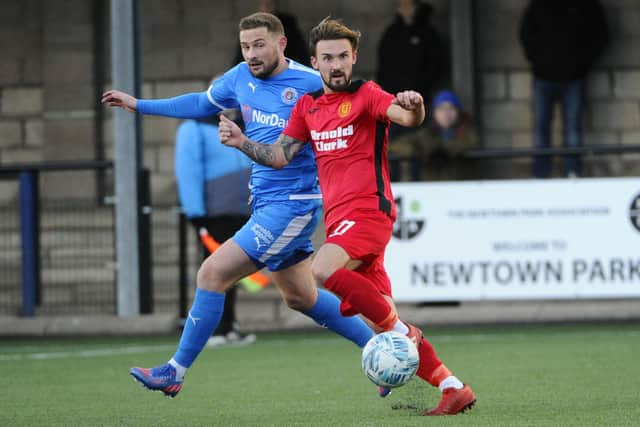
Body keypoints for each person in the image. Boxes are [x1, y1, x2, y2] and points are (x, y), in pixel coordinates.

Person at [102, 12, 381, 399]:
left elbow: (338, 126)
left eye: (259, 45)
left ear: (281, 44)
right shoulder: (239, 77)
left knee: (212, 273)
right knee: (300, 296)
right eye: (246, 46)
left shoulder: (309, 84)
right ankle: (380, 350)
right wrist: (140, 105)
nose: (251, 53)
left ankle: (174, 370)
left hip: (293, 203)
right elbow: (200, 103)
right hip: (266, 201)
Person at [219, 17, 476, 416]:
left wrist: (417, 105)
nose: (336, 64)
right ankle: (451, 385)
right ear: (314, 62)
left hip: (370, 212)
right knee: (381, 325)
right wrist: (241, 142)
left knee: (321, 270)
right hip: (340, 221)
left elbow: (407, 117)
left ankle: (404, 332)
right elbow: (280, 157)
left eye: (342, 56)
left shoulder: (367, 95)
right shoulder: (308, 107)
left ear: (354, 58)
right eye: (327, 58)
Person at [175, 111, 256, 347]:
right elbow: (188, 171)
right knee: (216, 271)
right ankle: (215, 329)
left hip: (241, 211)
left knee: (234, 271)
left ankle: (229, 324)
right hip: (214, 214)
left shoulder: (242, 127)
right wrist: (195, 212)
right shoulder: (193, 127)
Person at [519, 0, 609, 178]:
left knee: (573, 130)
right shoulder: (539, 4)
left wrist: (582, 64)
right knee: (540, 130)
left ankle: (572, 175)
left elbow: (601, 36)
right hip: (543, 78)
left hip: (574, 79)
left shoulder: (587, 5)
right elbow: (525, 33)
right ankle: (541, 176)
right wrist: (537, 59)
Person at [377, 0, 447, 181]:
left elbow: (436, 64)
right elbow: (383, 66)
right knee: (392, 146)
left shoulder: (427, 34)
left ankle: (418, 182)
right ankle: (393, 182)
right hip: (393, 102)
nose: (402, 9)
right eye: (400, 6)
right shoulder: (392, 33)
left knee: (417, 145)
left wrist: (420, 90)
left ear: (415, 7)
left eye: (406, 6)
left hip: (418, 102)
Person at [233, 0, 309, 66]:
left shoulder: (287, 24)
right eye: (246, 47)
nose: (251, 55)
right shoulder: (250, 27)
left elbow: (300, 50)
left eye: (260, 45)